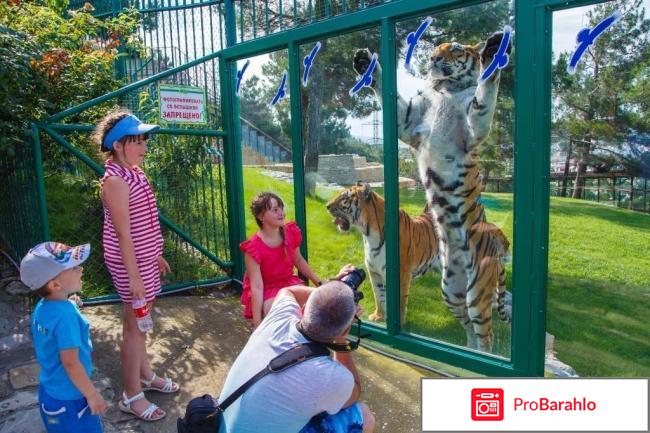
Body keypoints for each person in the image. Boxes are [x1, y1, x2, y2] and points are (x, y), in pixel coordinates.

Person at [94, 109, 179, 422]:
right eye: (137, 141)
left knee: (141, 324)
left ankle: (145, 375)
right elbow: (123, 232)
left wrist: (155, 253)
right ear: (118, 145)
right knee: (134, 330)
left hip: (144, 261)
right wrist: (134, 278)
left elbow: (144, 222)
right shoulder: (115, 181)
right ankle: (131, 395)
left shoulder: (135, 172)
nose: (144, 146)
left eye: (145, 140)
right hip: (132, 267)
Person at [218, 272, 376, 433]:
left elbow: (289, 291)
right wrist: (340, 336)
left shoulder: (279, 320)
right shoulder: (332, 378)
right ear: (345, 329)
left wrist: (330, 292)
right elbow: (354, 392)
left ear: (305, 307)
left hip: (219, 425)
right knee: (363, 415)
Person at [20, 242, 106, 433]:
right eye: (74, 267)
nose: (81, 269)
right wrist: (92, 394)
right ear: (55, 284)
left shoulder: (43, 306)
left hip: (51, 392)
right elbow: (71, 363)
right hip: (72, 399)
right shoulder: (66, 317)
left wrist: (70, 302)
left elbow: (53, 324)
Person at [240, 192, 324, 328]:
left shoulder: (290, 232)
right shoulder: (253, 248)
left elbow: (298, 260)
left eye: (281, 208)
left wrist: (319, 282)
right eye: (275, 210)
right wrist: (257, 324)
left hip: (290, 283)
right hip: (269, 290)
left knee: (317, 306)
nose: (281, 213)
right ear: (261, 216)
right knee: (284, 312)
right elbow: (256, 286)